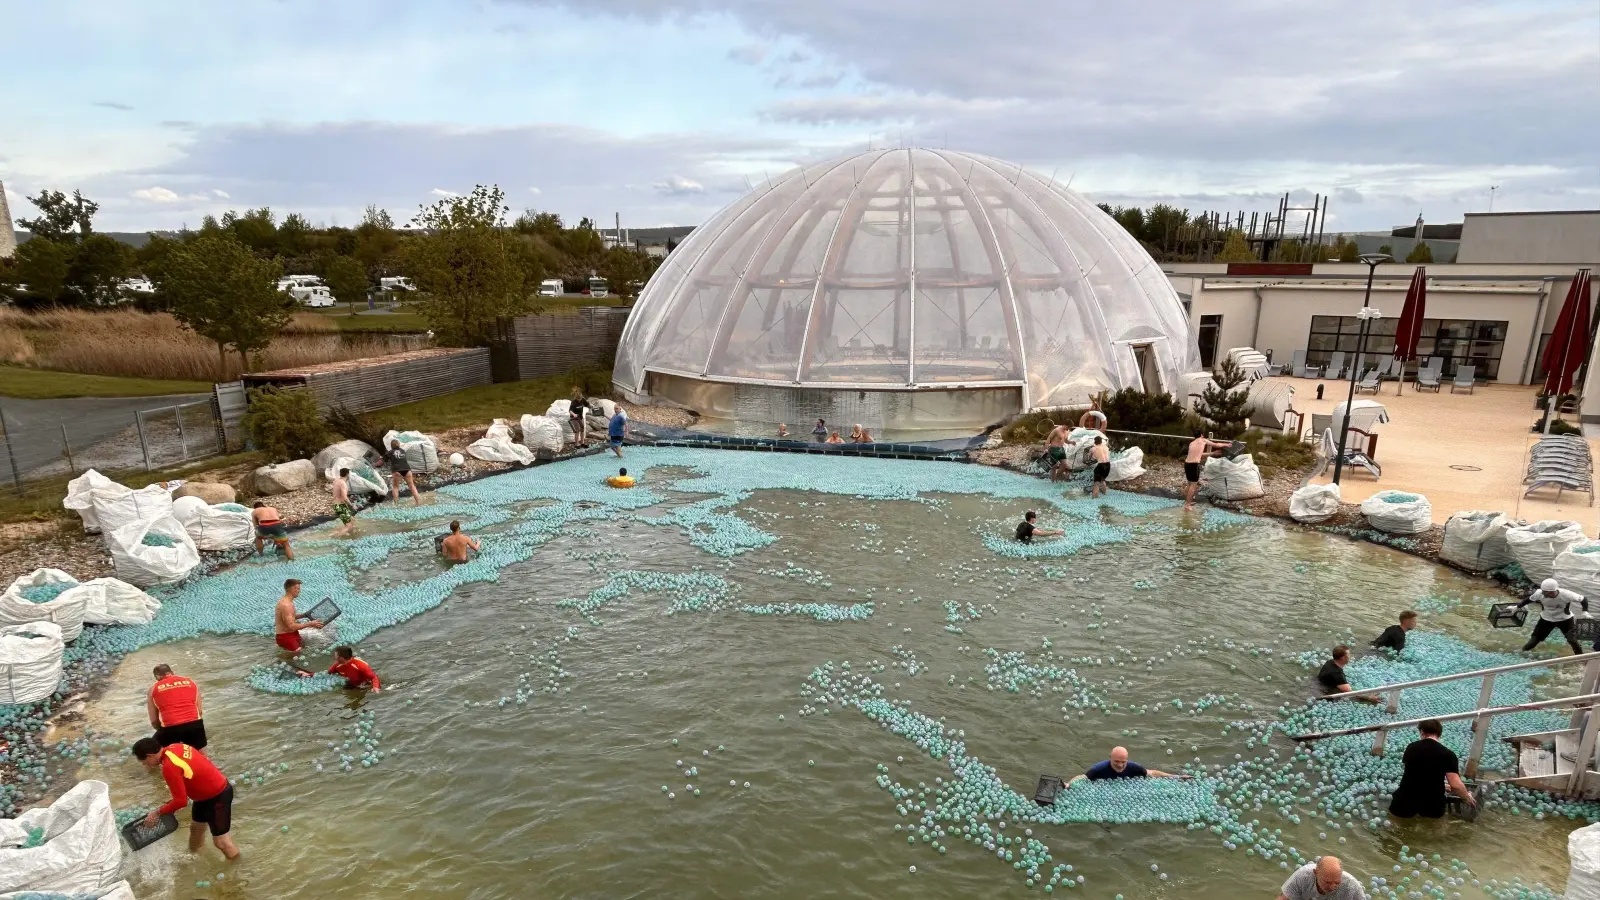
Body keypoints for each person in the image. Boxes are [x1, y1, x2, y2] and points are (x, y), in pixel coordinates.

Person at [133, 738, 239, 860]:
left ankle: (236, 871)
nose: (144, 765)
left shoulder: (169, 767)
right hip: (203, 797)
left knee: (221, 843)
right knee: (196, 832)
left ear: (149, 756)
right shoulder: (176, 747)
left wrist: (156, 813)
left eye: (143, 762)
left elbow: (181, 801)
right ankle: (195, 861)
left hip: (218, 796)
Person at [1389, 719, 1475, 819]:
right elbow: (1455, 785)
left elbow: (1414, 775)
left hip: (1403, 803)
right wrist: (1466, 797)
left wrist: (1442, 785)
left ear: (1422, 732)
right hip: (1431, 806)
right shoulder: (1448, 754)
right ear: (1439, 734)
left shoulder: (1411, 748)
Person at [1516, 578, 1589, 654]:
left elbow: (1584, 599)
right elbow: (1528, 600)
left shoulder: (1566, 594)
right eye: (1543, 591)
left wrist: (1585, 612)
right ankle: (1522, 653)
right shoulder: (1539, 593)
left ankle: (1581, 658)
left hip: (1565, 620)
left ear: (1552, 591)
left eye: (1545, 592)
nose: (1543, 594)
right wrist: (1517, 607)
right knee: (1533, 641)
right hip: (1546, 619)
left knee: (1573, 641)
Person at [148, 664, 206, 749]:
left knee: (153, 751)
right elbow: (199, 711)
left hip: (170, 728)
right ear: (172, 672)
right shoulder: (191, 682)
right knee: (200, 754)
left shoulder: (153, 689)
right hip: (195, 724)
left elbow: (154, 721)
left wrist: (161, 731)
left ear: (157, 676)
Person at [1068, 746, 1177, 785]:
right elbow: (1082, 777)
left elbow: (1152, 773)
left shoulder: (1134, 767)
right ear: (1110, 758)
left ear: (1127, 760)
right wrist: (1068, 784)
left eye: (1123, 762)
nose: (1120, 765)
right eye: (1116, 761)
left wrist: (1175, 777)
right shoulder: (1099, 769)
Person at [273, 579, 324, 657]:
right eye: (298, 588)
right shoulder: (286, 605)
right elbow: (291, 626)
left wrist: (303, 615)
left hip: (291, 633)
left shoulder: (288, 602)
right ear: (292, 589)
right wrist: (310, 624)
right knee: (296, 656)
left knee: (302, 649)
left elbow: (290, 617)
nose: (299, 591)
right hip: (286, 637)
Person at [1277, 857, 1367, 900]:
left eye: (1337, 882)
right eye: (1327, 882)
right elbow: (1284, 898)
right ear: (1315, 873)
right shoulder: (1302, 877)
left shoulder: (1351, 887)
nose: (1332, 887)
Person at [1184, 431, 1231, 510]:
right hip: (1194, 465)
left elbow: (1200, 454)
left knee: (1189, 484)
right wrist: (1227, 444)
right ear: (1201, 435)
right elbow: (1216, 444)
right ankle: (1187, 505)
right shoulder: (1202, 440)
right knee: (1193, 485)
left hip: (1187, 464)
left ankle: (1188, 501)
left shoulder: (1191, 443)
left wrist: (1212, 453)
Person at [385, 439, 422, 507]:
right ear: (399, 444)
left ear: (391, 446)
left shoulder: (390, 452)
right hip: (407, 469)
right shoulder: (403, 451)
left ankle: (396, 504)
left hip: (397, 470)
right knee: (412, 486)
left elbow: (384, 460)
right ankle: (418, 502)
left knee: (395, 487)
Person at [331, 467, 356, 534]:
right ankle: (336, 538)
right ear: (347, 474)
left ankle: (350, 536)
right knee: (349, 526)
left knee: (352, 520)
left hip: (338, 505)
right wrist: (351, 505)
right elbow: (345, 497)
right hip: (340, 506)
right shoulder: (343, 483)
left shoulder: (336, 480)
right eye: (349, 474)